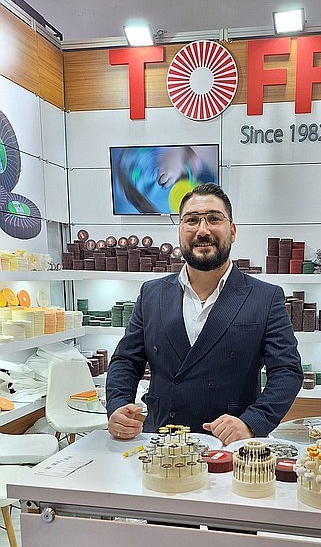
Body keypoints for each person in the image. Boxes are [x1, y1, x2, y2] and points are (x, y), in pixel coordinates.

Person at [106, 183, 303, 445]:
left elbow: (287, 371)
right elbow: (126, 360)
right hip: (160, 444)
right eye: (192, 220)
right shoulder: (152, 294)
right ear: (180, 231)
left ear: (232, 231)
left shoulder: (265, 298)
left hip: (229, 447)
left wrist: (252, 422)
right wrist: (118, 405)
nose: (202, 230)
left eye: (214, 219)